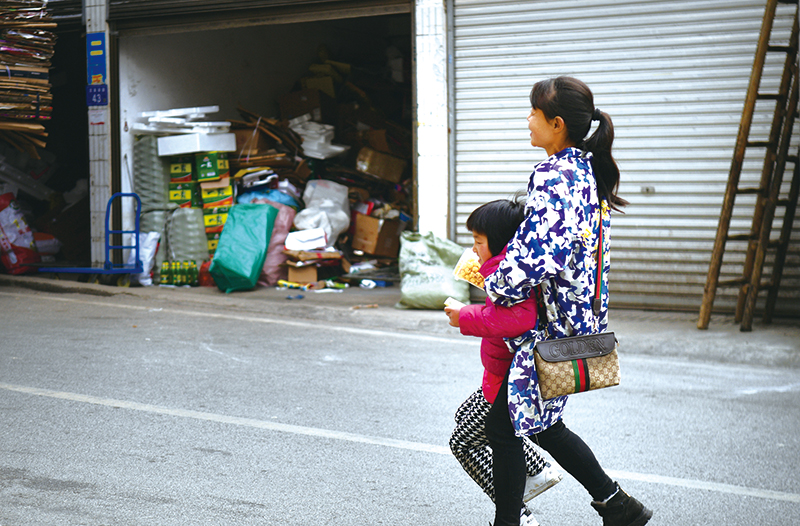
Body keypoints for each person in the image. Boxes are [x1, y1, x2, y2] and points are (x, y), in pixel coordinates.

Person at [481, 76, 653, 526]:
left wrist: (498, 283)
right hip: (574, 319)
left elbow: (542, 251)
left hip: (549, 326)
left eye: (533, 113)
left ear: (556, 124)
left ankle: (512, 523)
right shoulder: (584, 170)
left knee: (506, 427)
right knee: (537, 424)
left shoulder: (557, 175)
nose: (527, 120)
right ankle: (618, 506)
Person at [444, 195, 562, 526]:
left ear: (498, 242)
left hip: (510, 375)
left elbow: (515, 319)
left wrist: (464, 315)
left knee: (465, 442)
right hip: (497, 372)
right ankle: (536, 475)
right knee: (467, 419)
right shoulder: (503, 269)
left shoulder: (510, 273)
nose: (473, 247)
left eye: (478, 241)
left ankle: (521, 505)